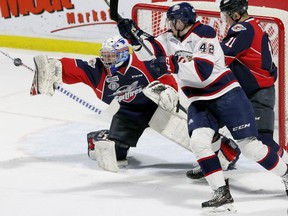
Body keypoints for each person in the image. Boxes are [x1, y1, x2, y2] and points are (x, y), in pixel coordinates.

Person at [117, 2, 288, 213]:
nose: (170, 23)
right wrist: (135, 37)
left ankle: (286, 174)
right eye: (170, 20)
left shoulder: (205, 33)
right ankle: (221, 194)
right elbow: (152, 51)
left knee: (251, 147)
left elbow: (202, 71)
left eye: (174, 20)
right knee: (198, 142)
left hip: (227, 96)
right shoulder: (169, 37)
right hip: (199, 100)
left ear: (185, 21)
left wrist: (167, 63)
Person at [30, 35, 235, 173]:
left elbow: (163, 72)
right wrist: (50, 68)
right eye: (105, 56)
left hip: (155, 106)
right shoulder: (98, 70)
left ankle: (223, 148)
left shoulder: (142, 61)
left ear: (123, 54)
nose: (108, 61)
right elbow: (74, 68)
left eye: (112, 56)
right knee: (112, 155)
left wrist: (169, 91)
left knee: (189, 132)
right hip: (128, 114)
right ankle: (99, 137)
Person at [186, 0, 288, 180]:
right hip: (243, 92)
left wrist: (195, 55)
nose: (224, 18)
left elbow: (222, 56)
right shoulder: (252, 26)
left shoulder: (243, 29)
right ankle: (221, 156)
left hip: (257, 94)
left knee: (262, 140)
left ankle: (285, 168)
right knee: (208, 121)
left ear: (235, 14)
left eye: (226, 14)